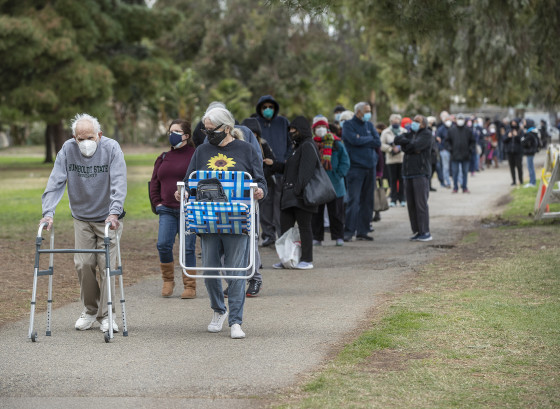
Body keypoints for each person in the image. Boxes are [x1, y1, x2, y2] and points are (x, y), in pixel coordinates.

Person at [180, 107, 266, 339]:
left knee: (235, 271)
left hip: (237, 220)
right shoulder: (201, 151)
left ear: (227, 128)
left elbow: (261, 181)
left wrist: (259, 191)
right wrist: (183, 193)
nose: (207, 134)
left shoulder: (247, 150)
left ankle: (236, 321)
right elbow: (189, 181)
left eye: (211, 129)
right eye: (205, 129)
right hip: (207, 221)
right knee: (209, 270)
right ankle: (219, 310)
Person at [39, 113, 126, 333]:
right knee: (84, 264)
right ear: (74, 138)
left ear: (99, 134)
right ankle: (89, 310)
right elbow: (55, 181)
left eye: (90, 137)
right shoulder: (68, 150)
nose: (85, 142)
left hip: (108, 218)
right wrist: (48, 213)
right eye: (80, 138)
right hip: (82, 217)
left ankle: (106, 315)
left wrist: (114, 212)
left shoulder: (111, 148)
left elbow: (118, 181)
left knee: (107, 266)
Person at [150, 119, 197, 299]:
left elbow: (199, 180)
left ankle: (190, 285)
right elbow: (155, 182)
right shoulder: (163, 157)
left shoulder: (195, 155)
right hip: (167, 209)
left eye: (176, 131)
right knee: (163, 244)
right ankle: (168, 280)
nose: (172, 135)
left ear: (186, 135)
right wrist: (157, 203)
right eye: (170, 132)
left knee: (188, 248)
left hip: (188, 210)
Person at [271, 116, 319, 269]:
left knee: (304, 227)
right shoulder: (296, 148)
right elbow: (289, 168)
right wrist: (274, 165)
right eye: (290, 130)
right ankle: (287, 258)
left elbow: (306, 171)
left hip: (301, 196)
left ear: (302, 130)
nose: (291, 132)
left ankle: (306, 259)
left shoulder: (308, 146)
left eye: (294, 130)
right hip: (289, 196)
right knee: (285, 229)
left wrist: (298, 190)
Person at [255, 95, 290, 247]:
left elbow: (290, 143)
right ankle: (268, 235)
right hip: (264, 172)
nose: (268, 110)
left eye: (271, 107)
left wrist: (285, 160)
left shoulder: (283, 122)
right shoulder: (255, 122)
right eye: (264, 107)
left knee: (280, 205)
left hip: (281, 170)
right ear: (260, 109)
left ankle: (281, 235)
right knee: (265, 205)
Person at [342, 102, 380, 242]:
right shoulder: (348, 125)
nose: (368, 113)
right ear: (358, 112)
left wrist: (361, 139)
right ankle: (348, 231)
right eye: (366, 111)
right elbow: (352, 140)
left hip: (370, 167)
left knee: (367, 201)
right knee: (354, 200)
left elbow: (377, 142)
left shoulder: (369, 125)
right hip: (356, 168)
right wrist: (366, 140)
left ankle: (363, 231)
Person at [310, 116, 350, 246]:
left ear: (327, 128)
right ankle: (317, 237)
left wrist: (339, 174)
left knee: (336, 213)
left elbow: (345, 161)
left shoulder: (337, 143)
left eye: (323, 127)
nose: (320, 129)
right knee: (317, 213)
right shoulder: (310, 144)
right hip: (318, 184)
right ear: (314, 129)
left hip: (335, 184)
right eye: (318, 127)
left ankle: (339, 236)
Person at [394, 115, 433, 242]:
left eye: (417, 121)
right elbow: (397, 139)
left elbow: (415, 147)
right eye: (413, 121)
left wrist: (407, 146)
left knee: (421, 204)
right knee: (411, 205)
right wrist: (408, 145)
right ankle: (417, 231)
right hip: (408, 173)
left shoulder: (426, 134)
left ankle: (425, 231)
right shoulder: (410, 134)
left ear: (423, 124)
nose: (414, 123)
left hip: (420, 173)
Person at [381, 113, 406, 207]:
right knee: (393, 180)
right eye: (394, 121)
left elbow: (407, 142)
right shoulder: (386, 132)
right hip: (391, 159)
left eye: (397, 121)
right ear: (391, 122)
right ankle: (393, 199)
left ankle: (402, 198)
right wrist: (391, 149)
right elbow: (381, 144)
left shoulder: (403, 131)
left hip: (401, 158)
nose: (396, 123)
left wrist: (400, 148)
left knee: (402, 179)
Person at [446, 113, 475, 193]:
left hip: (465, 155)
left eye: (461, 119)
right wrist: (450, 149)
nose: (460, 121)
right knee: (455, 173)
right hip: (455, 155)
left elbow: (473, 142)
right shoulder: (452, 130)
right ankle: (455, 188)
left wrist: (470, 150)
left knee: (465, 172)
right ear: (456, 120)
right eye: (459, 119)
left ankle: (464, 187)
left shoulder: (468, 130)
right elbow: (447, 141)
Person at [504, 118, 524, 186]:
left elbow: (522, 141)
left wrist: (516, 136)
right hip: (510, 152)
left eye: (514, 123)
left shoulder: (520, 131)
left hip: (518, 152)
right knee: (512, 167)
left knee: (519, 166)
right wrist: (508, 137)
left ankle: (521, 180)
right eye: (512, 123)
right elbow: (504, 140)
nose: (513, 124)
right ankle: (514, 181)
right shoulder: (508, 131)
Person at [521, 119, 540, 188]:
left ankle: (532, 182)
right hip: (531, 151)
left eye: (525, 122)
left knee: (530, 167)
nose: (523, 124)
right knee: (530, 167)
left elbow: (523, 142)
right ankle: (532, 181)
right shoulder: (532, 131)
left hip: (530, 152)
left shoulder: (530, 133)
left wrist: (523, 136)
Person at [436, 111, 452, 188]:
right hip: (444, 150)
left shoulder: (453, 127)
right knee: (445, 167)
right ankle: (447, 182)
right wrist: (441, 148)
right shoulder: (440, 128)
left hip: (453, 150)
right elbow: (438, 140)